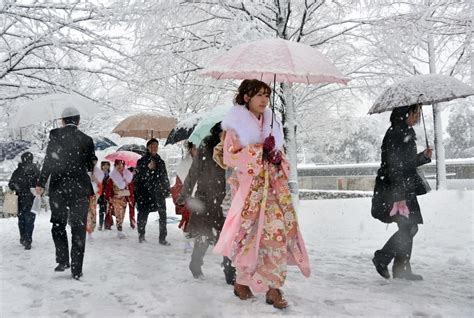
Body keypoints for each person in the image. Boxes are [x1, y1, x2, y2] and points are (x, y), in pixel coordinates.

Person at [213, 79, 310, 309]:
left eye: (267, 95)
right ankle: (242, 281)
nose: (264, 100)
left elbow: (279, 154)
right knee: (249, 236)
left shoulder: (272, 123)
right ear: (246, 97)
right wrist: (258, 151)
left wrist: (276, 155)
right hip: (251, 192)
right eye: (259, 95)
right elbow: (230, 157)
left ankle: (274, 287)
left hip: (274, 189)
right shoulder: (235, 125)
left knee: (277, 233)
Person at [371, 104, 432, 281]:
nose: (417, 117)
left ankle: (401, 267)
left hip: (403, 188)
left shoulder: (404, 132)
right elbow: (395, 167)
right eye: (415, 113)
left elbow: (406, 163)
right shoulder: (397, 134)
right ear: (405, 113)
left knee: (408, 226)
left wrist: (423, 157)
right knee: (409, 226)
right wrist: (400, 197)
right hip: (395, 190)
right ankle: (383, 258)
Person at [36, 107, 96, 280]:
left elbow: (48, 162)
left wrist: (41, 183)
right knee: (78, 228)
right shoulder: (87, 139)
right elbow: (90, 166)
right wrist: (91, 162)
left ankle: (63, 260)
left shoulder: (55, 136)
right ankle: (77, 269)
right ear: (78, 121)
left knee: (58, 224)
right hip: (79, 188)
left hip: (59, 188)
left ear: (62, 120)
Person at [177, 124, 227, 280]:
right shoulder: (206, 149)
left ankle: (230, 272)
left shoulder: (233, 150)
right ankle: (195, 264)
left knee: (228, 237)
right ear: (217, 133)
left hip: (225, 199)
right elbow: (193, 174)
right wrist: (183, 195)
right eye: (224, 132)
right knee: (204, 236)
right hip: (205, 198)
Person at [134, 138, 171, 245]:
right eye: (152, 146)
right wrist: (148, 169)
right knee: (143, 214)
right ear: (148, 147)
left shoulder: (161, 162)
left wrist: (166, 189)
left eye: (156, 146)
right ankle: (141, 235)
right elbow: (138, 178)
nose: (154, 148)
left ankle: (162, 238)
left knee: (163, 215)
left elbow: (164, 177)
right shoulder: (141, 161)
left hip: (158, 192)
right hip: (145, 193)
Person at [8, 152, 40, 250]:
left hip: (20, 199)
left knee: (21, 219)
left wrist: (18, 187)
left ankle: (23, 237)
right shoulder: (36, 171)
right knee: (30, 220)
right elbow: (41, 185)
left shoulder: (17, 171)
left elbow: (11, 185)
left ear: (22, 159)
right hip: (32, 199)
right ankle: (28, 240)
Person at [104, 159, 133, 238]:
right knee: (118, 214)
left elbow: (131, 188)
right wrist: (110, 196)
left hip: (124, 198)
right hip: (115, 198)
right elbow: (108, 188)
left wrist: (126, 183)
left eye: (122, 165)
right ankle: (119, 230)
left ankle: (120, 229)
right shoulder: (112, 177)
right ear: (115, 166)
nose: (120, 166)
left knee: (122, 214)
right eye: (118, 165)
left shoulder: (127, 175)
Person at [86, 156, 104, 239]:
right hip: (84, 194)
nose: (94, 163)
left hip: (93, 194)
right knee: (85, 213)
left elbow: (100, 185)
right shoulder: (84, 170)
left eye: (95, 161)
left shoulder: (98, 172)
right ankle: (85, 231)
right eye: (92, 161)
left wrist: (95, 179)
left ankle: (90, 231)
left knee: (92, 212)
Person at [97, 161, 111, 231]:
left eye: (107, 165)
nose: (105, 166)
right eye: (104, 165)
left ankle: (107, 224)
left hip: (108, 194)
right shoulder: (99, 174)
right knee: (101, 210)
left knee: (108, 210)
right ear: (101, 166)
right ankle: (100, 224)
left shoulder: (111, 174)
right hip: (101, 194)